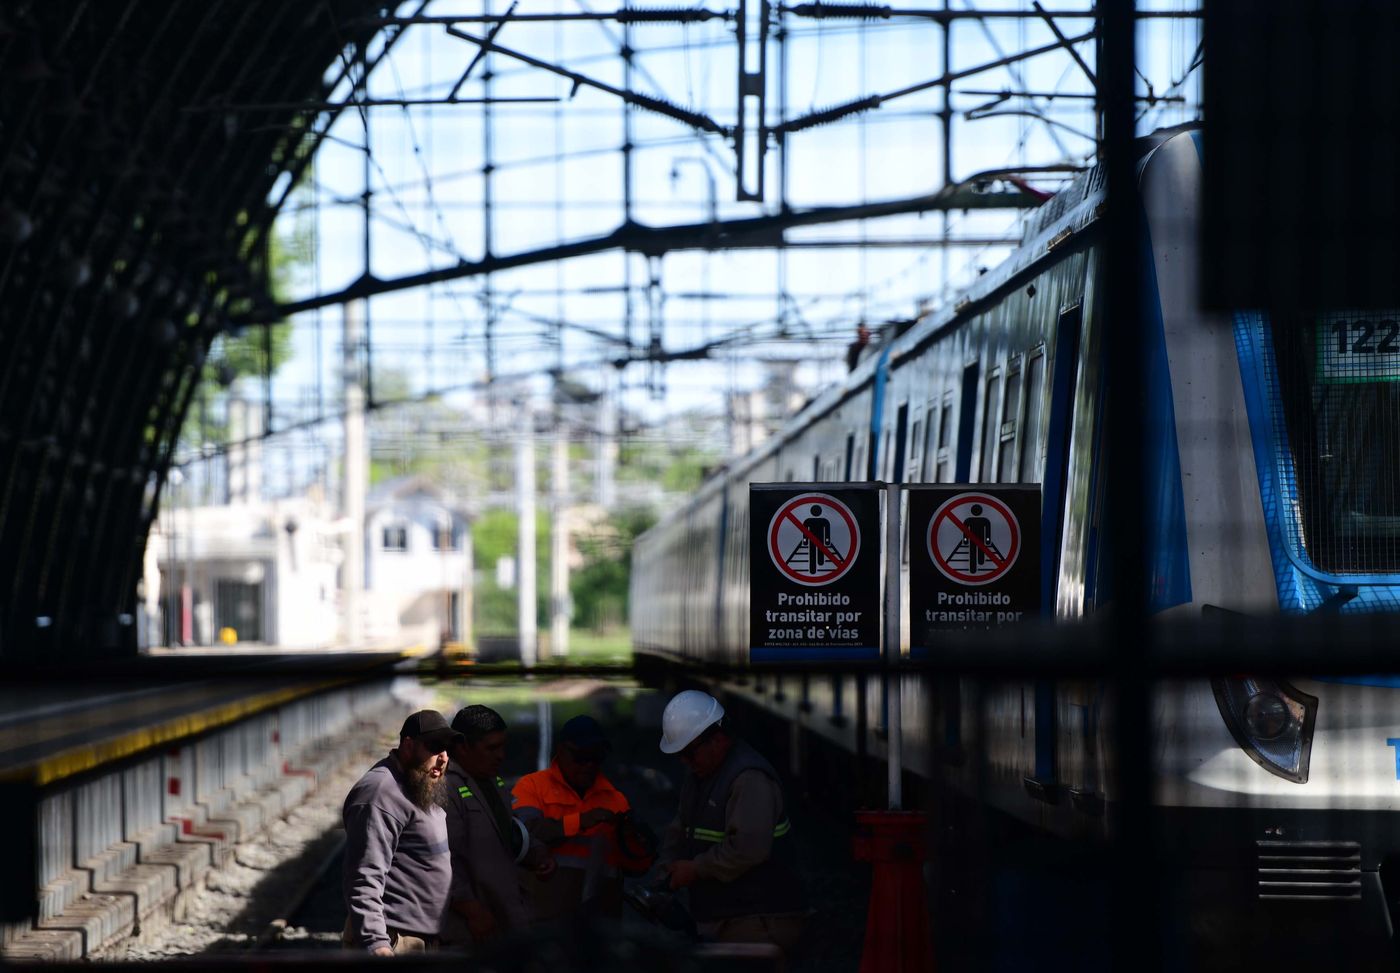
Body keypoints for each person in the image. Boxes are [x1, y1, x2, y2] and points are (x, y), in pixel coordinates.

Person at [657, 690, 808, 957]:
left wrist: (694, 869)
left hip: (759, 919)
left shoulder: (749, 779)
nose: (684, 761)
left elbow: (747, 849)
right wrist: (665, 868)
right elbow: (680, 827)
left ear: (717, 740)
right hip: (730, 916)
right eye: (680, 755)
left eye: (689, 753)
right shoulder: (700, 776)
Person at [512, 714, 653, 921]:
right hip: (544, 925)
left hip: (600, 929)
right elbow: (522, 836)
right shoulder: (532, 787)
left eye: (595, 757)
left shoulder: (616, 800)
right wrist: (580, 821)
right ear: (561, 751)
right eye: (580, 757)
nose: (588, 765)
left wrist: (636, 841)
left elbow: (636, 868)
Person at [342, 710, 460, 956]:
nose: (443, 758)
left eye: (447, 749)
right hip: (394, 940)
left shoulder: (419, 783)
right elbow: (364, 875)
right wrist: (377, 944)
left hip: (419, 940)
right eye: (435, 747)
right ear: (408, 745)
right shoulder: (380, 793)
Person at [441, 705, 554, 946]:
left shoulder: (492, 780)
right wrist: (471, 910)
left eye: (503, 746)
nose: (501, 755)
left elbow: (508, 829)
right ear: (462, 747)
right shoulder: (445, 788)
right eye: (491, 748)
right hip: (471, 929)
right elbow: (442, 859)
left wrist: (536, 851)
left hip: (504, 918)